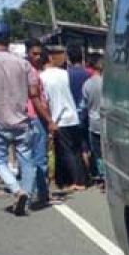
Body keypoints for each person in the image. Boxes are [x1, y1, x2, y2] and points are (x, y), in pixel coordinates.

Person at [0, 20, 51, 215]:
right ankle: (26, 192)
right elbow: (33, 93)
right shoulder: (23, 64)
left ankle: (17, 190)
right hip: (22, 120)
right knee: (27, 159)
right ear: (9, 38)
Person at [40, 46, 89, 191]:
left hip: (58, 118)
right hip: (72, 114)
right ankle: (82, 178)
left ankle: (76, 181)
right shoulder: (64, 73)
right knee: (76, 149)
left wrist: (50, 120)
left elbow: (46, 100)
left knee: (65, 151)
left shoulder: (42, 77)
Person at [24, 39, 54, 207]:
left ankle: (34, 193)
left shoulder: (27, 70)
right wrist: (49, 120)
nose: (37, 56)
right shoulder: (32, 73)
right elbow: (36, 99)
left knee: (29, 158)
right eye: (34, 53)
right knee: (39, 158)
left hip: (29, 118)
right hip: (36, 117)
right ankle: (40, 194)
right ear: (27, 53)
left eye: (39, 53)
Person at [66, 44, 97, 182]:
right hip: (88, 112)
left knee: (78, 145)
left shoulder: (66, 74)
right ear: (82, 57)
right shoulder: (89, 74)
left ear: (68, 58)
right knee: (90, 144)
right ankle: (93, 171)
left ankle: (84, 174)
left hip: (72, 114)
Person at [82, 60, 104, 183]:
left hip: (93, 122)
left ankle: (102, 175)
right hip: (105, 121)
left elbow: (84, 104)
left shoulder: (87, 84)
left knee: (98, 153)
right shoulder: (106, 83)